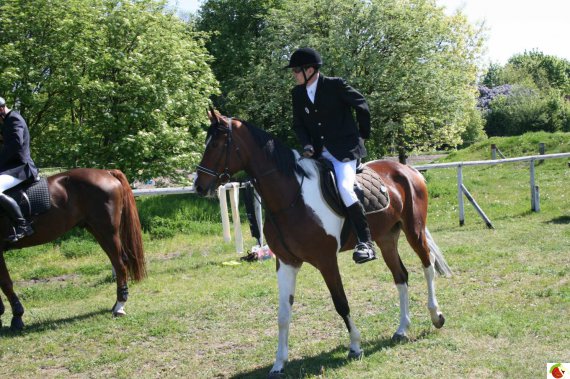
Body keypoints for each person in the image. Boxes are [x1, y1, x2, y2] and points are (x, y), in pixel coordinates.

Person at [285, 48, 377, 264]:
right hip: (317, 153)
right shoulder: (297, 94)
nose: (294, 74)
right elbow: (298, 124)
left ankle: (365, 242)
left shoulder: (335, 85)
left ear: (310, 70)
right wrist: (306, 144)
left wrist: (361, 136)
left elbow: (361, 104)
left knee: (345, 188)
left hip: (344, 152)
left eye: (297, 70)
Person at [0, 96, 38, 243]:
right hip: (12, 167)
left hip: (21, 168)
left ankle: (23, 225)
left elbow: (15, 146)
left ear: (1, 109)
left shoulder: (14, 119)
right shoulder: (7, 121)